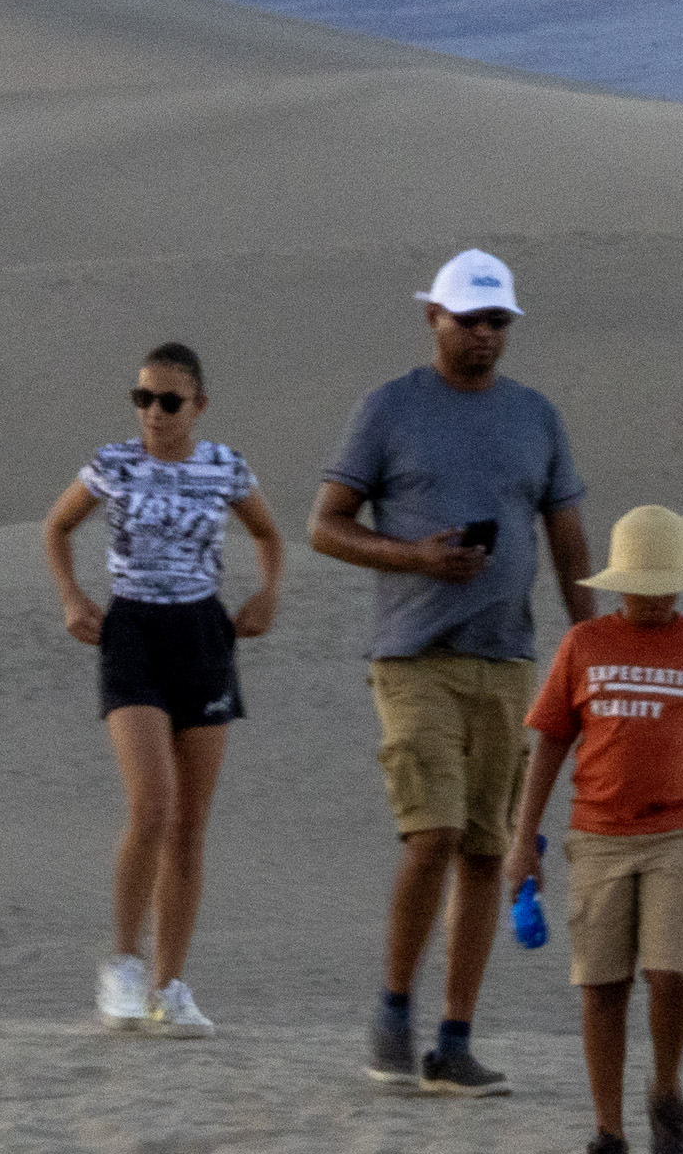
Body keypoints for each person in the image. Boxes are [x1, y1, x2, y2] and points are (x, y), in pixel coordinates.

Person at [310, 249, 596, 1098]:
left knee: (486, 850)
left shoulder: (535, 417)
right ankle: (392, 1011)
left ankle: (455, 1040)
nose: (483, 336)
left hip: (507, 659)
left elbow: (568, 536)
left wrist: (595, 653)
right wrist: (414, 558)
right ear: (431, 316)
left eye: (496, 322)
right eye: (468, 320)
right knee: (429, 833)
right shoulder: (389, 409)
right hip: (413, 656)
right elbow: (326, 525)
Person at [39, 341, 283, 1036]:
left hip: (203, 634)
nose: (153, 411)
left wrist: (268, 594)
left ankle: (169, 984)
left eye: (168, 400)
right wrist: (71, 596)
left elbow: (268, 533)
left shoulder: (224, 466)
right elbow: (58, 525)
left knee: (190, 825)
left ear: (197, 405)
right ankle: (121, 962)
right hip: (133, 631)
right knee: (152, 804)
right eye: (142, 398)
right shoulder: (114, 463)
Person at [506, 507, 683, 1154]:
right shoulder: (584, 645)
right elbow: (550, 739)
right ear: (618, 584)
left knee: (671, 972)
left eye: (666, 584)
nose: (654, 596)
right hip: (599, 835)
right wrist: (522, 840)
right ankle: (607, 1135)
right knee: (602, 985)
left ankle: (666, 1090)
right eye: (642, 584)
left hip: (681, 829)